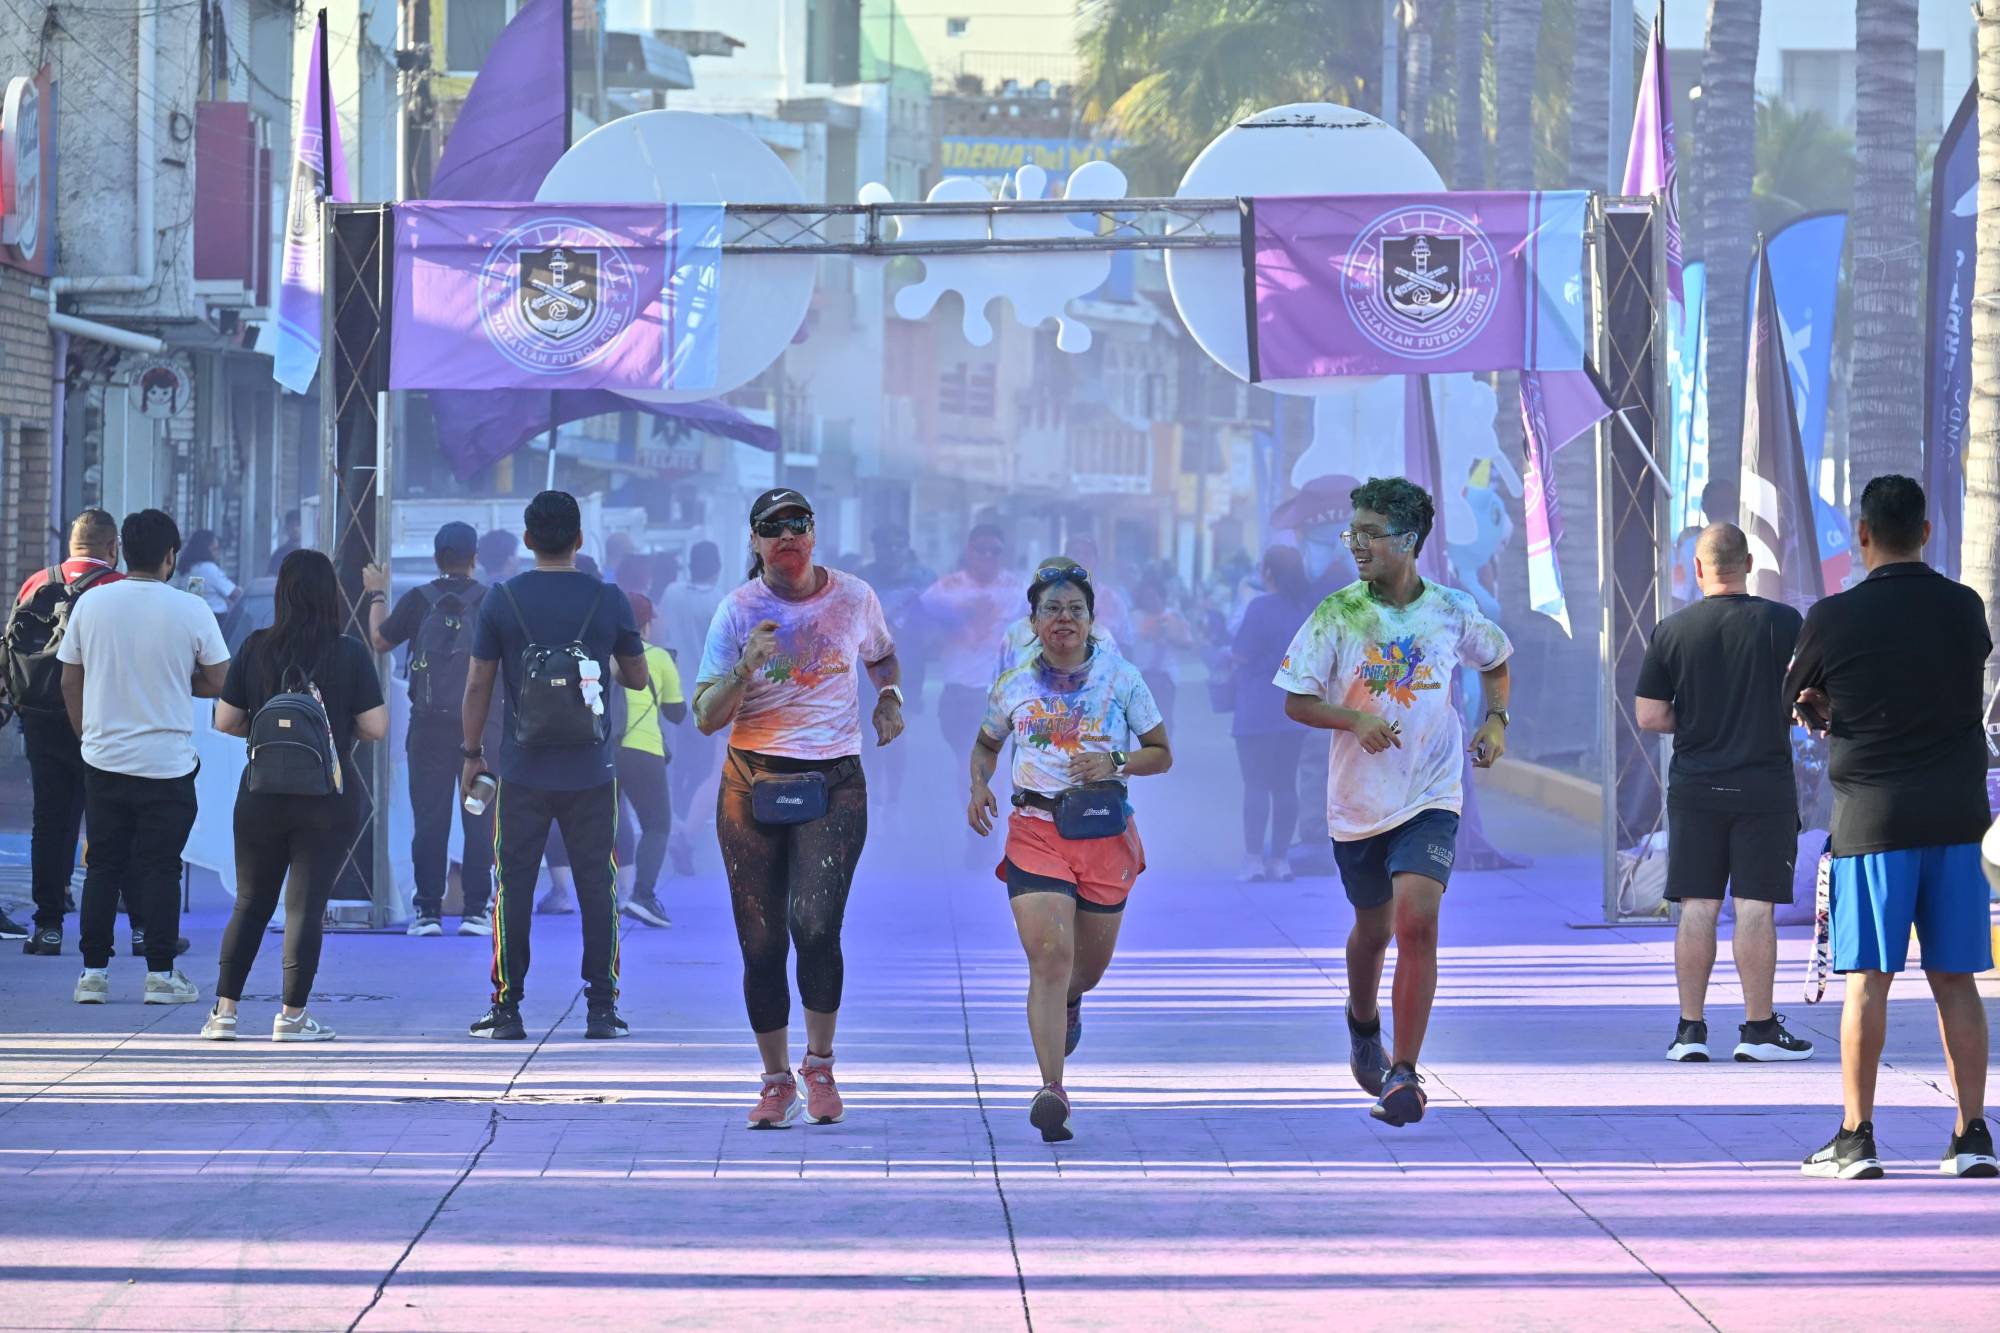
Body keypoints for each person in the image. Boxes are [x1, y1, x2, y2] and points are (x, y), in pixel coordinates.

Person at [1276, 477, 1512, 1128]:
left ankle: (1404, 1072)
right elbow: (1296, 699)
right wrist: (1352, 721)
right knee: (1373, 930)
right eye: (1351, 531)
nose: (1354, 543)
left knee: (1417, 923)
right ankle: (1362, 1023)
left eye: (1368, 532)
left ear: (1407, 542)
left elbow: (1495, 660)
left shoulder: (1453, 610)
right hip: (1356, 804)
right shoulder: (1338, 614)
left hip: (1432, 794)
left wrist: (1496, 722)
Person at [1783, 475, 1996, 1180]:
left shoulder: (1834, 616)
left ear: (1863, 534)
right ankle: (1971, 1135)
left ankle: (1857, 1136)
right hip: (1958, 819)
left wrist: (1822, 708)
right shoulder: (1964, 608)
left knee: (1867, 982)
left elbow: (1797, 696)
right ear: (1926, 532)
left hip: (1873, 820)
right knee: (1955, 979)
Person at [693, 487, 903, 1130]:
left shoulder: (854, 597)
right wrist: (745, 670)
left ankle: (820, 1063)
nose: (787, 535)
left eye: (798, 523)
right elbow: (705, 717)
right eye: (771, 527)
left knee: (814, 926)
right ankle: (776, 1081)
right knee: (760, 942)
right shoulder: (737, 611)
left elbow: (882, 654)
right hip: (751, 781)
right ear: (754, 542)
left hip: (833, 782)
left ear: (814, 534)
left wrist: (889, 696)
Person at [969, 563, 1170, 1143]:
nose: (1064, 619)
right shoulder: (1012, 686)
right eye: (1052, 610)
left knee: (1085, 969)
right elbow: (985, 745)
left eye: (1075, 609)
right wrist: (979, 784)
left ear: (1091, 619)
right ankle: (1051, 1088)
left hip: (1105, 832)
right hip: (1035, 829)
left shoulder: (1122, 677)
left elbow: (1161, 751)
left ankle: (1074, 1001)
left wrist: (1117, 762)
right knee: (1049, 959)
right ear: (1033, 622)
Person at [459, 492, 649, 1043]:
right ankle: (601, 1009)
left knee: (513, 887)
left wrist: (472, 756)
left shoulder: (502, 599)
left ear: (526, 540)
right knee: (597, 887)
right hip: (592, 770)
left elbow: (477, 683)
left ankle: (507, 1007)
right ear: (580, 540)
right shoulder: (608, 599)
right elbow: (636, 678)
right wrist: (603, 659)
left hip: (521, 770)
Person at [1635, 523, 1813, 1065]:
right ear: (1750, 563)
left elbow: (1650, 715)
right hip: (1764, 786)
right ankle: (1758, 1030)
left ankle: (1690, 1031)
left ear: (1697, 569)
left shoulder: (1672, 630)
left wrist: (1698, 722)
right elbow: (1809, 694)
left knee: (1697, 905)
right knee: (1755, 907)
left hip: (1696, 786)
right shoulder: (1785, 622)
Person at [202, 550, 388, 1041]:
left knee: (250, 903)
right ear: (331, 595)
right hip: (325, 798)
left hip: (260, 795)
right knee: (304, 908)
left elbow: (224, 720)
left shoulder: (256, 647)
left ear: (282, 593)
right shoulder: (348, 652)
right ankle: (292, 1017)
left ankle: (223, 1013)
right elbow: (376, 726)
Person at [60, 509, 230, 1005]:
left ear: (121, 552)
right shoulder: (190, 609)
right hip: (166, 762)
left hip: (103, 756)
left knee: (103, 866)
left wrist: (85, 735)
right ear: (170, 557)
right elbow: (221, 679)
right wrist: (178, 680)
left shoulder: (92, 604)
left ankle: (92, 974)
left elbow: (70, 677)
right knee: (160, 866)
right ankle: (160, 974)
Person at [364, 521, 495, 937]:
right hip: (480, 730)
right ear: (474, 558)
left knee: (430, 818)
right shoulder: (490, 601)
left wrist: (378, 593)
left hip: (428, 729)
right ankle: (476, 910)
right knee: (478, 818)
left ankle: (428, 912)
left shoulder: (419, 600)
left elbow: (380, 641)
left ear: (437, 558)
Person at [8, 511, 125, 953]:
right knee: (110, 822)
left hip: (41, 719)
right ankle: (117, 929)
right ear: (111, 547)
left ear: (72, 544)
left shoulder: (36, 582)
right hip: (100, 719)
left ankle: (48, 926)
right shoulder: (117, 588)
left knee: (50, 822)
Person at [920, 525, 1018, 860]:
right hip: (959, 691)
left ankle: (983, 839)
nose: (988, 557)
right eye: (982, 550)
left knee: (992, 767)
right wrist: (959, 620)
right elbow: (920, 623)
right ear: (969, 551)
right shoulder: (946, 590)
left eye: (995, 551)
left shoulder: (1017, 591)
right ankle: (976, 825)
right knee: (967, 765)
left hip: (997, 696)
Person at [1232, 546, 1315, 883]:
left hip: (1256, 709)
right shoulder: (1304, 611)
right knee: (1285, 786)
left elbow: (1241, 654)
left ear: (1268, 572)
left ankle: (1254, 860)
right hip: (1292, 710)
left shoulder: (1259, 607)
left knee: (1255, 784)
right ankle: (1281, 861)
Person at [612, 592, 685, 928]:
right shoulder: (657, 657)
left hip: (604, 752)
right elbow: (677, 714)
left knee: (606, 823)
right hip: (644, 751)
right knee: (657, 824)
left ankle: (603, 894)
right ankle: (643, 895)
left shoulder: (601, 655)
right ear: (647, 624)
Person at [661, 540, 727, 876]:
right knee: (709, 768)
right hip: (711, 699)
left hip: (676, 695)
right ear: (716, 568)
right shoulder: (719, 602)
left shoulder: (672, 593)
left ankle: (680, 822)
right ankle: (686, 829)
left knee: (683, 764)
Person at [858, 526, 935, 812]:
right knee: (870, 732)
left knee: (898, 732)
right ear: (875, 548)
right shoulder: (863, 579)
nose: (892, 552)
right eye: (885, 546)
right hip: (869, 668)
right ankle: (875, 792)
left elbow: (936, 622)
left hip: (909, 668)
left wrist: (922, 644)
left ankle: (893, 797)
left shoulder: (924, 580)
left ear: (906, 547)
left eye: (898, 546)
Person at [1125, 579, 1193, 728]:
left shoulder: (1174, 615)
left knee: (1164, 719)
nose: (1151, 601)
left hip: (1165, 676)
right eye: (1146, 598)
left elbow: (1187, 643)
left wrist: (1170, 636)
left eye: (1154, 596)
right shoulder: (1136, 616)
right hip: (1141, 675)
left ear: (1162, 596)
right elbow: (1134, 640)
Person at [180, 529, 240, 620]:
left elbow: (196, 596)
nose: (218, 553)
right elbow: (235, 593)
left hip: (195, 619)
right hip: (216, 619)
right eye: (215, 549)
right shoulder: (208, 568)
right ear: (205, 550)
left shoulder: (190, 569)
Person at [266, 509, 302, 574]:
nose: (295, 529)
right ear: (286, 528)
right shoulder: (278, 555)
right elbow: (271, 579)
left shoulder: (312, 552)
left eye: (298, 525)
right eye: (292, 525)